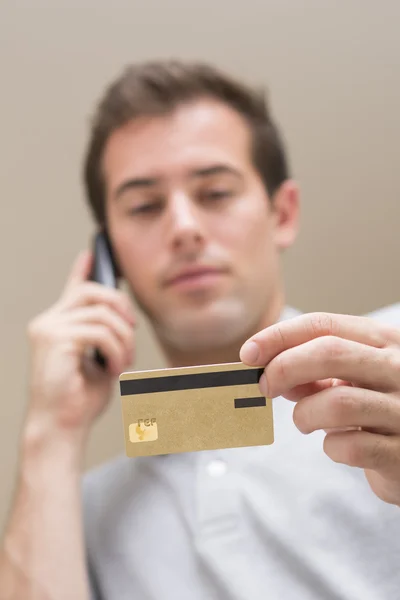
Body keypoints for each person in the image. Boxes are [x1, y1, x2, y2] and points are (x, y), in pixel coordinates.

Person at [1, 60, 399, 600]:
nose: (184, 228)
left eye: (215, 193)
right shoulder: (80, 518)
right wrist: (50, 432)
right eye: (144, 206)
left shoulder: (392, 357)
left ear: (282, 213)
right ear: (109, 257)